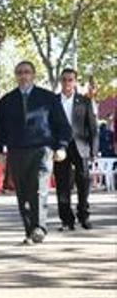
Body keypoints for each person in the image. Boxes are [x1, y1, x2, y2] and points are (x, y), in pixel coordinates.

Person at [0, 61, 71, 245]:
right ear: (15, 75)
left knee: (39, 189)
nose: (23, 76)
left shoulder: (49, 98)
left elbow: (63, 126)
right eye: (19, 72)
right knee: (23, 193)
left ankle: (39, 227)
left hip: (42, 149)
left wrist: (61, 146)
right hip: (17, 151)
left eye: (27, 72)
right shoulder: (6, 101)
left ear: (33, 75)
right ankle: (29, 230)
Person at [54, 68, 98, 230]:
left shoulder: (84, 101)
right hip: (60, 148)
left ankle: (84, 216)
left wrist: (94, 150)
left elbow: (92, 127)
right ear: (61, 81)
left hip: (81, 147)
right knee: (62, 185)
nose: (67, 83)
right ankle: (66, 220)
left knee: (83, 183)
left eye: (70, 79)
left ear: (75, 82)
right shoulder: (53, 101)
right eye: (64, 79)